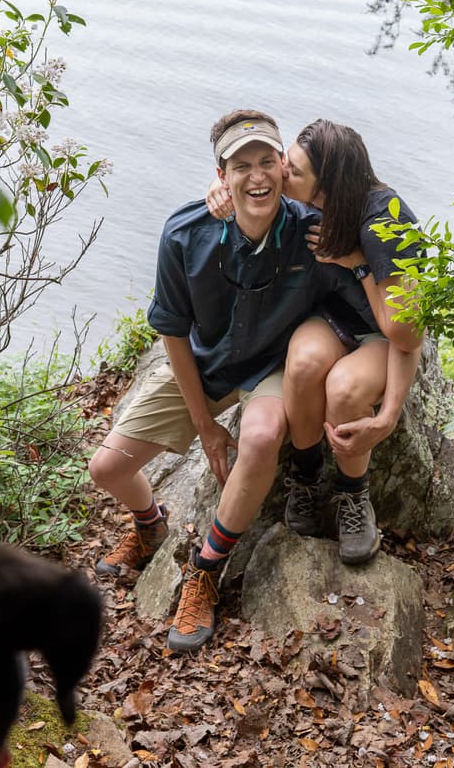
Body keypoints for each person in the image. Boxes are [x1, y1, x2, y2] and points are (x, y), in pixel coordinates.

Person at [88, 110, 364, 654]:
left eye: (267, 162)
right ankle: (150, 523)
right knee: (106, 469)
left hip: (269, 367)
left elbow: (376, 245)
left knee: (260, 438)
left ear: (285, 168)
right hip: (204, 363)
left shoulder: (311, 234)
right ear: (221, 176)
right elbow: (171, 329)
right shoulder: (186, 233)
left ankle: (206, 569)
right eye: (241, 166)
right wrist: (204, 426)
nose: (256, 176)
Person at [207, 118, 425, 565]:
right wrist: (222, 192)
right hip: (332, 319)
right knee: (304, 365)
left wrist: (357, 264)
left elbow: (406, 334)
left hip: (380, 336)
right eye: (287, 161)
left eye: (295, 171)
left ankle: (352, 496)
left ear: (329, 184)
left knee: (343, 389)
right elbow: (253, 182)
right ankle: (305, 479)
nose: (282, 172)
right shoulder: (314, 206)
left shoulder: (386, 222)